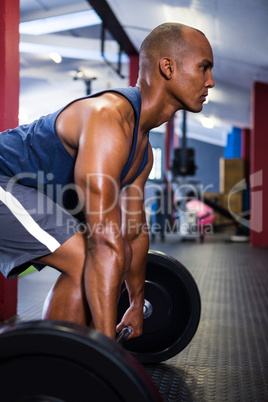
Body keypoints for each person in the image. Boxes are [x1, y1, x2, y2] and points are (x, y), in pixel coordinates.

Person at [0, 22, 214, 340]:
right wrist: (110, 356)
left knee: (112, 254)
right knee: (87, 256)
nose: (210, 81)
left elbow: (133, 234)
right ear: (168, 67)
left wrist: (137, 304)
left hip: (25, 193)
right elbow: (103, 241)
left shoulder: (142, 153)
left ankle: (64, 372)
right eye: (204, 68)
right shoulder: (108, 119)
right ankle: (56, 367)